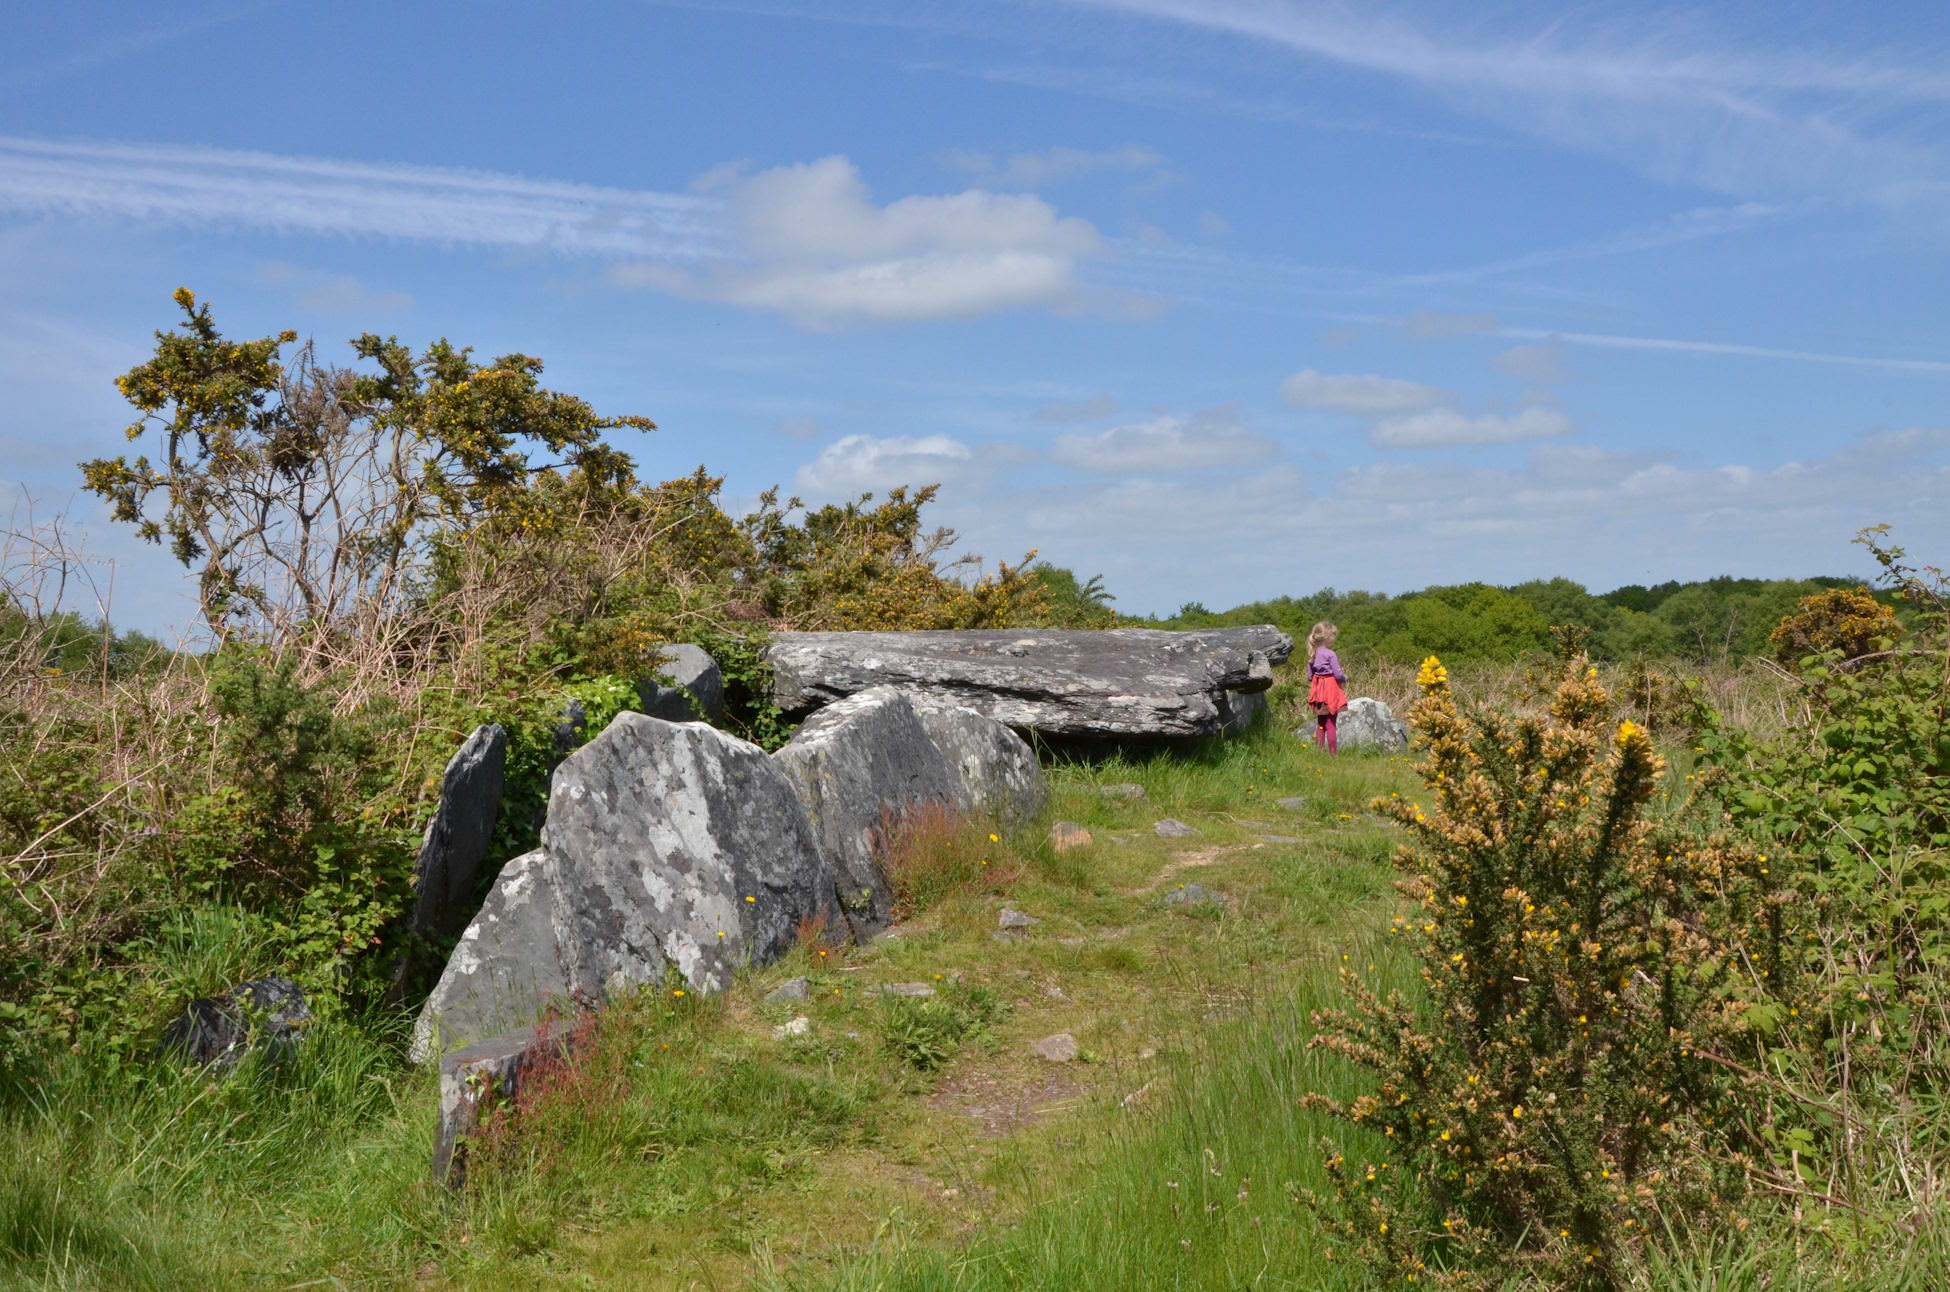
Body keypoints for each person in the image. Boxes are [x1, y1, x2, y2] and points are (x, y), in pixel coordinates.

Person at [1305, 621, 1347, 753]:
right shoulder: (1331, 654)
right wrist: (1345, 678)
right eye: (1333, 636)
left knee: (1321, 724)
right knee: (1331, 723)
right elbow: (1338, 674)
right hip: (1330, 692)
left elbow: (1309, 677)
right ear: (1328, 637)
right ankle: (1333, 754)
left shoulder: (1313, 654)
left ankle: (1319, 752)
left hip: (1318, 693)